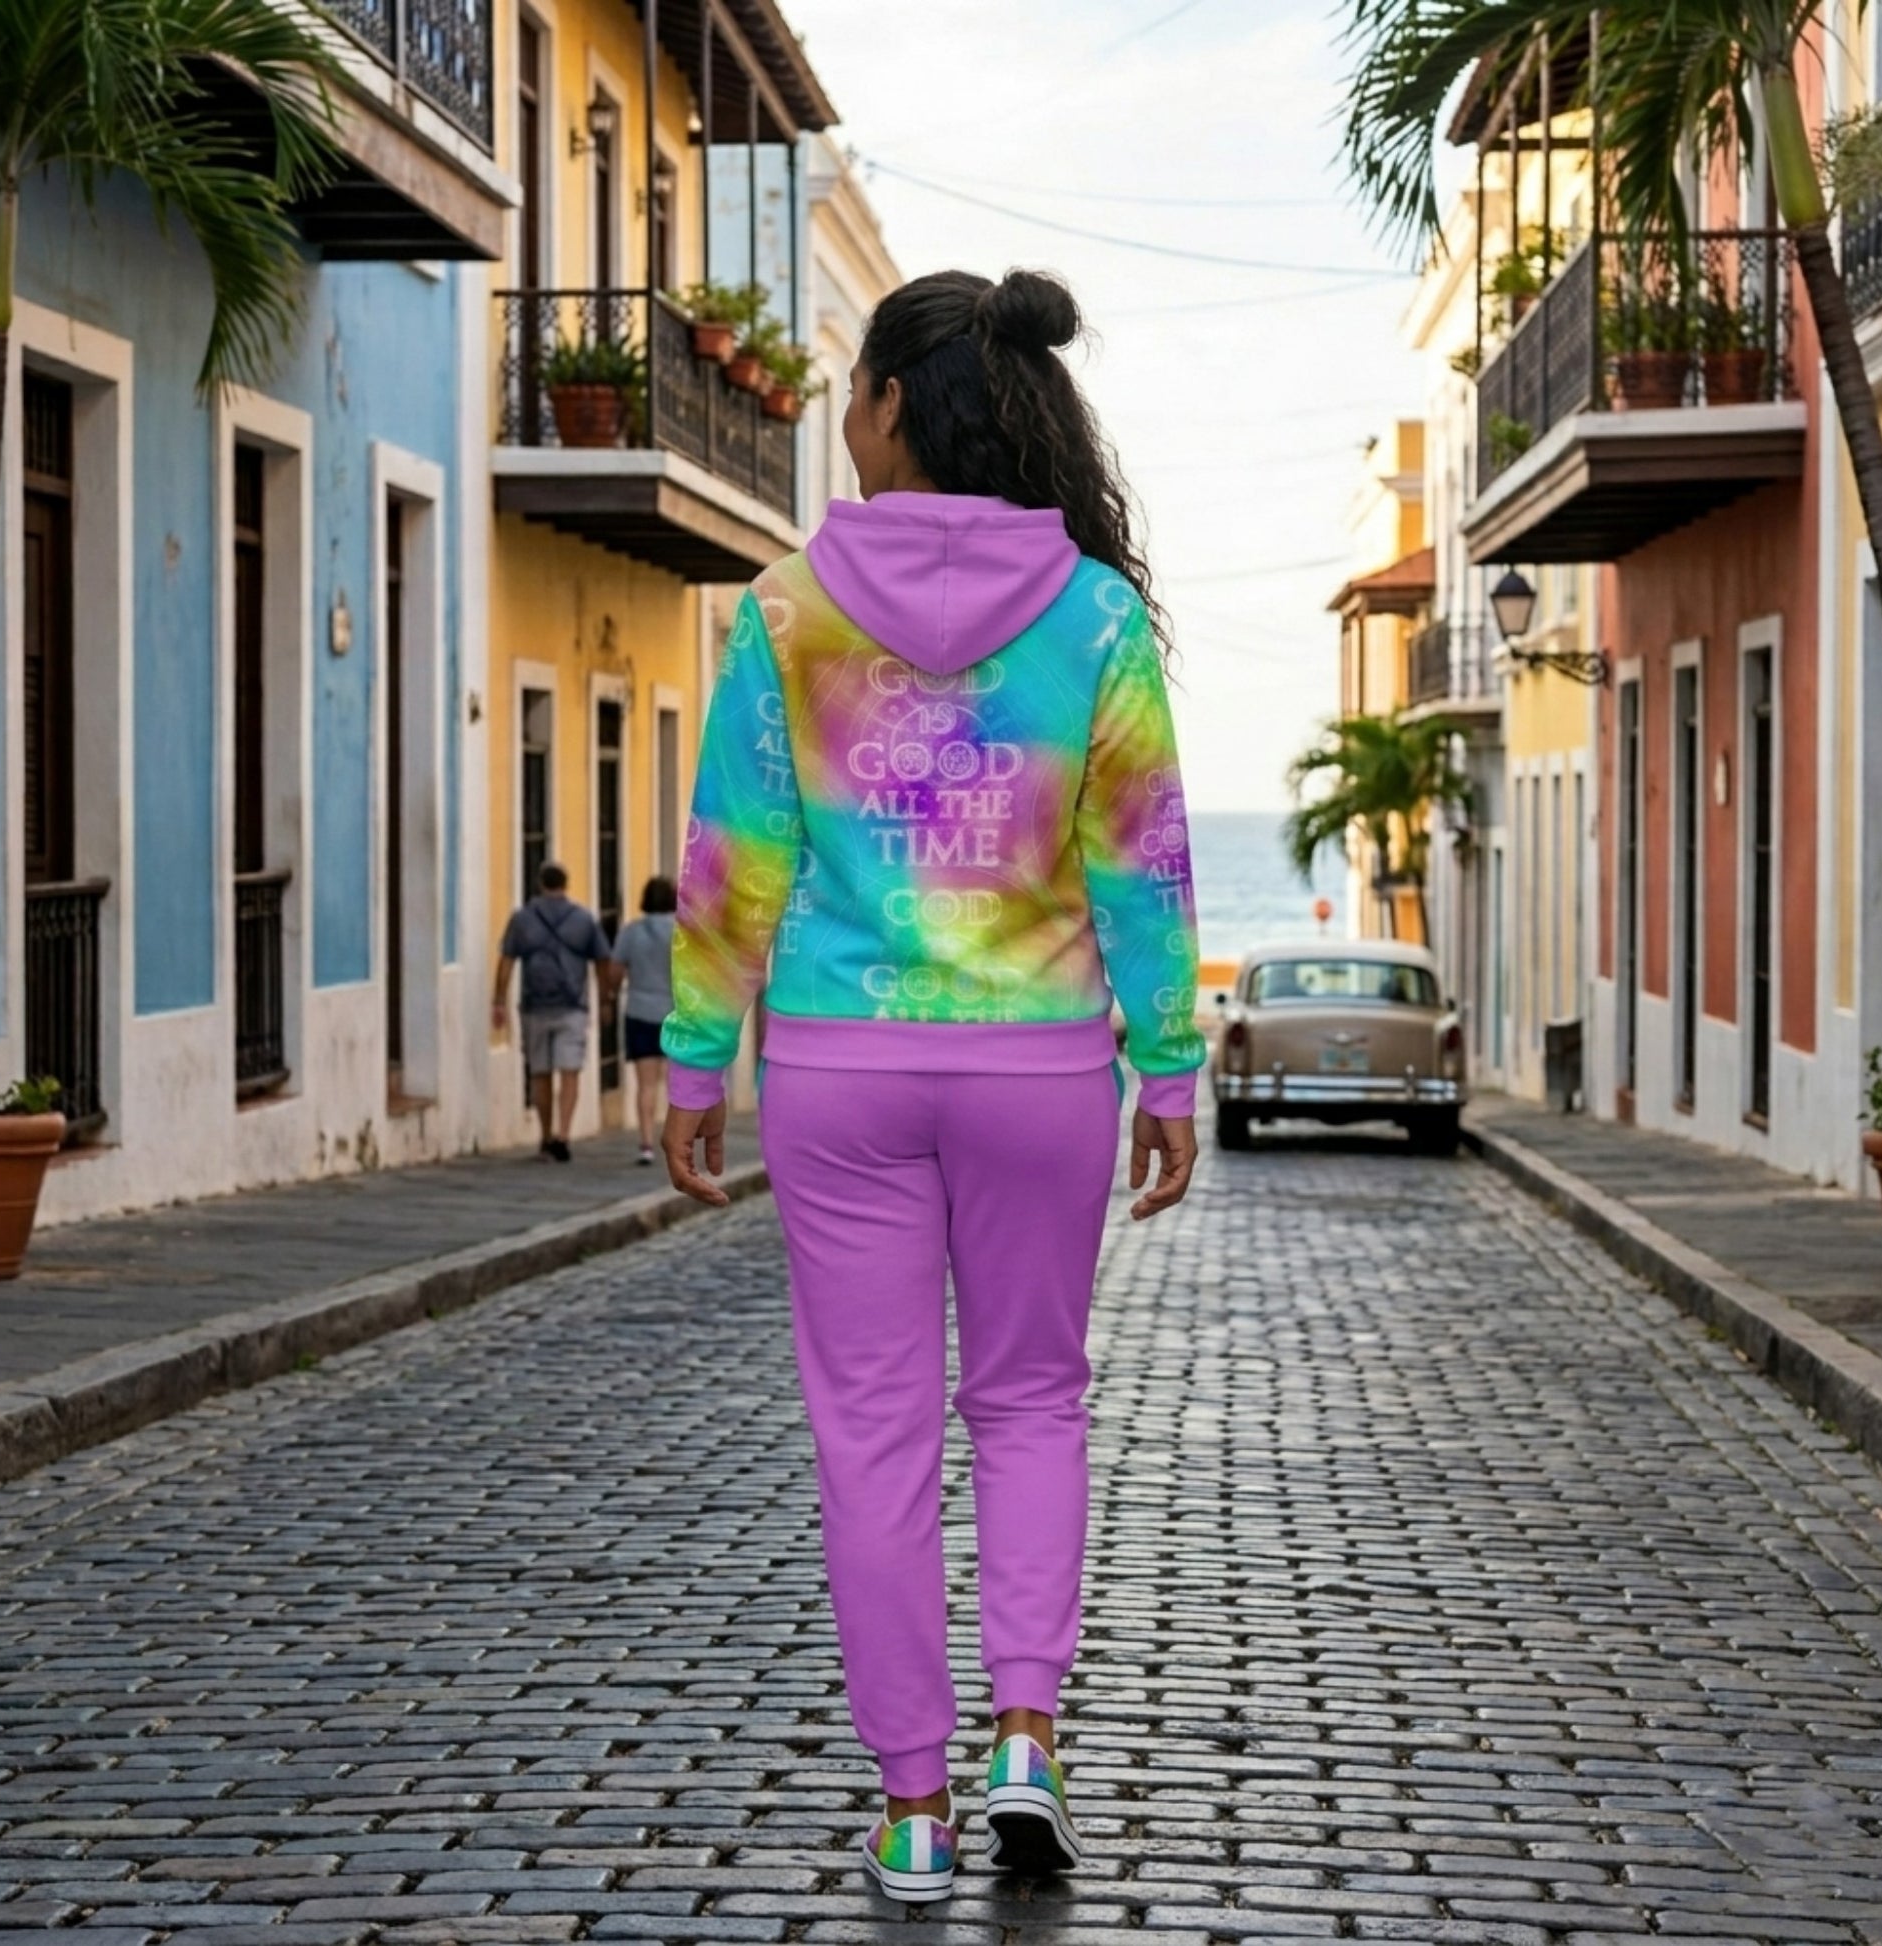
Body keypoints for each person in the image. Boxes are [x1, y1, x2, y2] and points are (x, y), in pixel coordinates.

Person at [658, 268, 1203, 1903]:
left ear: (897, 404)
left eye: (852, 387)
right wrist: (1168, 1068)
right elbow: (1141, 863)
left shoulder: (785, 611)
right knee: (1032, 1399)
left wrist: (696, 1055)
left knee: (872, 1432)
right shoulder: (1093, 618)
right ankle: (1026, 1736)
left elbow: (736, 857)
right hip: (1041, 1070)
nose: (841, 413)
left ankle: (912, 1806)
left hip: (841, 1070)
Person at [493, 862, 609, 1163]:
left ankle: (545, 1136)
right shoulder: (583, 919)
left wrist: (499, 1000)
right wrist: (605, 1000)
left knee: (540, 1073)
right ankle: (564, 1135)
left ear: (540, 884)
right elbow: (602, 961)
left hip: (535, 1006)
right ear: (565, 884)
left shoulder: (522, 919)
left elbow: (506, 961)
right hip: (572, 1006)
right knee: (570, 1072)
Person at [604, 876, 677, 1165]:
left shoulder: (631, 932)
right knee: (676, 1084)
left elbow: (614, 972)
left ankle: (646, 1144)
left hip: (640, 1013)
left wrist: (611, 993)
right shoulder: (683, 932)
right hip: (676, 1016)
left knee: (646, 1085)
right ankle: (676, 1142)